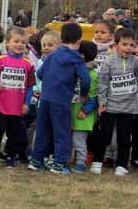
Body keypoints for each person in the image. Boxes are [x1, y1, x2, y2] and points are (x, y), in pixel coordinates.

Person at [28, 22, 91, 175]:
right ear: (79, 40)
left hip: (46, 99)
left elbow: (40, 74)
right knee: (62, 132)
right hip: (61, 100)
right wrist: (83, 93)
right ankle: (59, 162)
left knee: (43, 129)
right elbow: (86, 79)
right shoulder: (76, 59)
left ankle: (37, 159)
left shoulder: (53, 55)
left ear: (61, 38)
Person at [94, 28, 138, 176]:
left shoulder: (136, 61)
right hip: (110, 106)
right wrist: (102, 101)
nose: (128, 48)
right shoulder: (109, 61)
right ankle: (98, 161)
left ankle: (121, 164)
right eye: (124, 44)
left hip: (128, 108)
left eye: (131, 45)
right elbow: (103, 83)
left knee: (124, 138)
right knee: (104, 136)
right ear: (116, 44)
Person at [0, 26, 36, 168]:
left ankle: (10, 154)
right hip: (2, 104)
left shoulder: (28, 64)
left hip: (17, 106)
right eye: (16, 41)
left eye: (23, 42)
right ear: (7, 43)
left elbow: (29, 86)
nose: (19, 45)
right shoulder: (0, 60)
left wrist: (26, 103)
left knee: (13, 132)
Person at [70, 41, 99, 174]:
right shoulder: (73, 70)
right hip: (71, 110)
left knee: (79, 139)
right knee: (69, 137)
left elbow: (93, 97)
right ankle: (69, 159)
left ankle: (81, 162)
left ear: (81, 56)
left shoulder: (92, 75)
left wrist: (85, 110)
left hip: (82, 114)